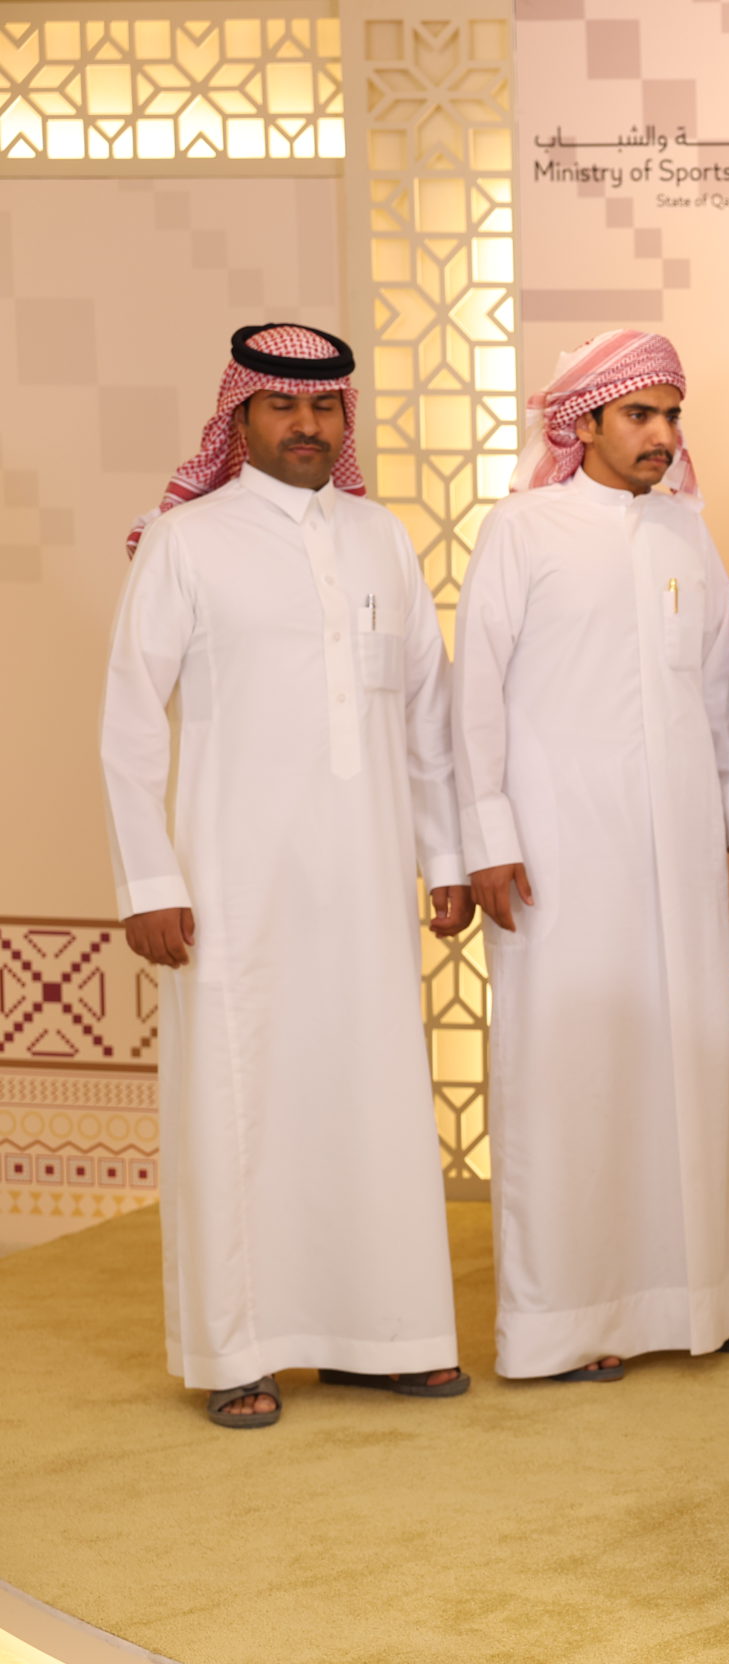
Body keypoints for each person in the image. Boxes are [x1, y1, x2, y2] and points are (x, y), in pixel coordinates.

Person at [102, 324, 473, 1427]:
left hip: (364, 880)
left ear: (342, 418)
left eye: (323, 408)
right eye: (281, 406)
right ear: (242, 416)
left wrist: (446, 857)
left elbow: (427, 717)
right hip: (233, 884)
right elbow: (129, 722)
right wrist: (149, 880)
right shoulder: (187, 542)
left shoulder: (380, 537)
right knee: (242, 1101)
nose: (306, 426)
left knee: (370, 1093)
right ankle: (241, 1350)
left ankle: (386, 1335)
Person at [451, 331, 729, 1383]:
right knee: (573, 1071)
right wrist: (488, 838)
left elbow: (717, 697)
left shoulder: (686, 533)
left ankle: (698, 1300)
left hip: (677, 845)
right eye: (641, 415)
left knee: (681, 1060)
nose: (663, 435)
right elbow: (475, 695)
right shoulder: (523, 529)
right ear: (583, 423)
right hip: (557, 848)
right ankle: (568, 1320)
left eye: (672, 416)